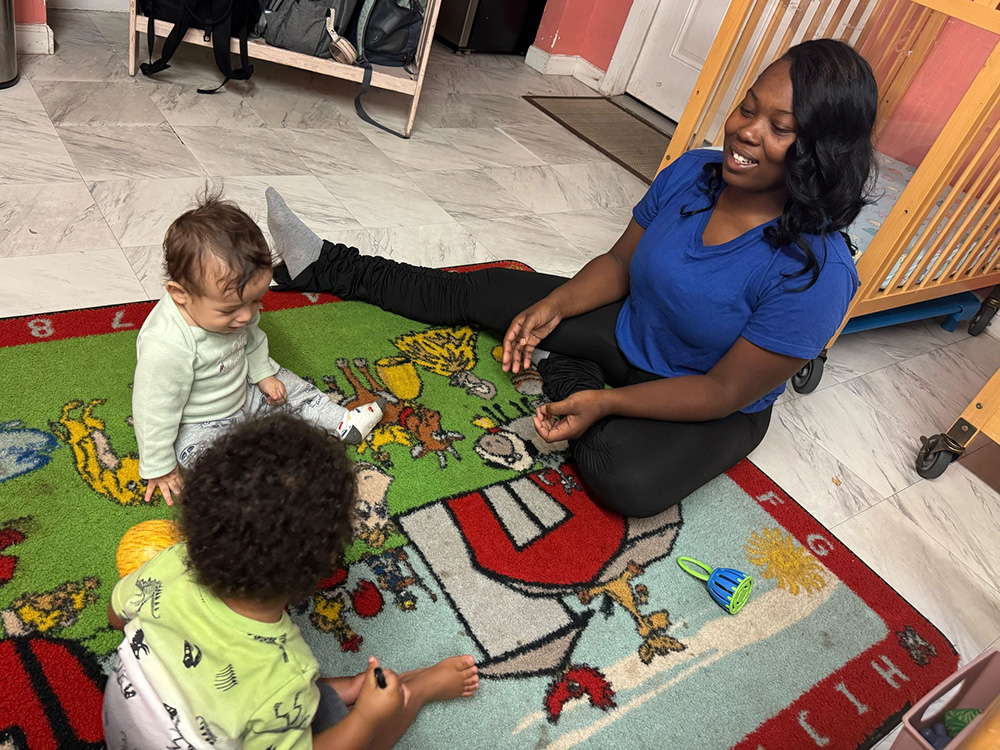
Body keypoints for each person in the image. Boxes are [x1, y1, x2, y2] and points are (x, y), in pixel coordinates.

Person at [266, 38, 877, 518]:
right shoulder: (694, 173)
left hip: (710, 398)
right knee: (481, 291)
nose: (747, 130)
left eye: (781, 126)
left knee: (624, 478)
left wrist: (606, 399)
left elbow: (721, 391)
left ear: (821, 149)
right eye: (748, 106)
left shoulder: (816, 273)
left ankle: (573, 373)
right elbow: (618, 265)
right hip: (635, 326)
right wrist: (555, 304)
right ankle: (321, 262)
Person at [103, 413, 480, 749]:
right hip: (251, 715)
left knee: (272, 702)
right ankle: (415, 692)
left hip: (127, 731)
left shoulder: (170, 563)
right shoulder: (285, 670)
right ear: (324, 563)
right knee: (365, 723)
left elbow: (116, 618)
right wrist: (366, 719)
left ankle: (349, 689)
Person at [132, 190, 385, 505]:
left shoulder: (237, 308)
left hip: (246, 389)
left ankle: (340, 420)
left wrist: (263, 374)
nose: (248, 315)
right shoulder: (166, 346)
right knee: (201, 459)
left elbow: (250, 339)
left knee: (290, 387)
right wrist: (158, 466)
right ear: (180, 294)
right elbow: (152, 411)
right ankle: (250, 486)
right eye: (231, 310)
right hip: (198, 420)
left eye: (256, 301)